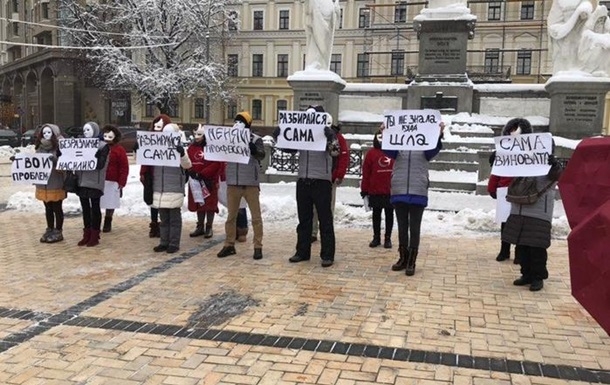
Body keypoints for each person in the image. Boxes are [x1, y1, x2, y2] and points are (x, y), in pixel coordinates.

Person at [273, 105, 340, 267]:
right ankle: (302, 251)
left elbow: (336, 152)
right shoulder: (303, 135)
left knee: (325, 219)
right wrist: (278, 137)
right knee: (304, 219)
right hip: (303, 180)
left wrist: (331, 137)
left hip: (322, 181)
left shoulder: (327, 135)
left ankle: (327, 254)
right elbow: (288, 148)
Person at [502, 121, 563, 292]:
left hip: (538, 208)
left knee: (536, 246)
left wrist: (553, 164)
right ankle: (526, 273)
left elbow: (557, 174)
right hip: (520, 206)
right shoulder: (521, 159)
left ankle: (538, 277)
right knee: (522, 244)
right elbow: (505, 163)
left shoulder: (547, 165)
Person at [384, 121, 444, 276]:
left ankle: (412, 260)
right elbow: (387, 149)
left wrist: (438, 133)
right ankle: (403, 257)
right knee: (402, 227)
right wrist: (385, 133)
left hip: (417, 190)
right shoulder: (398, 145)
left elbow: (434, 149)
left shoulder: (425, 147)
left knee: (414, 227)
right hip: (399, 189)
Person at [217, 112, 266, 260]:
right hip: (233, 182)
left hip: (250, 183)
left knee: (256, 217)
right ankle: (229, 244)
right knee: (231, 217)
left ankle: (258, 246)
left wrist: (253, 149)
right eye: (236, 121)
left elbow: (261, 155)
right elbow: (218, 151)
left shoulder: (256, 139)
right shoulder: (228, 138)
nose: (237, 123)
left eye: (241, 121)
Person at [487, 118, 529, 263]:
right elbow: (496, 171)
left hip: (522, 189)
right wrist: (492, 187)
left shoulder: (529, 150)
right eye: (512, 131)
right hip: (505, 189)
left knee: (521, 223)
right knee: (505, 223)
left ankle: (519, 253)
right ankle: (504, 250)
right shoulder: (503, 150)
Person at [151, 123, 192, 253]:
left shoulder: (180, 148)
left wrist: (182, 154)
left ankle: (174, 243)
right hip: (160, 187)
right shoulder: (157, 146)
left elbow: (187, 165)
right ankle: (164, 242)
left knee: (174, 218)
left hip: (174, 187)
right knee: (163, 219)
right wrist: (138, 149)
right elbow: (147, 160)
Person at [311, 122, 349, 243]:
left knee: (328, 208)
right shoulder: (316, 135)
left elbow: (343, 157)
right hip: (317, 176)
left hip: (330, 178)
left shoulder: (338, 138)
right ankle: (313, 232)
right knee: (314, 208)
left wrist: (339, 175)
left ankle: (326, 233)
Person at [75, 122, 110, 247]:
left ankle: (95, 235)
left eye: (88, 130)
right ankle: (87, 233)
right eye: (84, 130)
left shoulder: (103, 146)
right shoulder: (79, 145)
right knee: (85, 209)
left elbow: (101, 164)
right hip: (82, 180)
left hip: (95, 181)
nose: (86, 133)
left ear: (95, 131)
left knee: (95, 208)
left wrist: (92, 155)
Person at [186, 125, 224, 239]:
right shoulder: (191, 147)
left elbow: (216, 163)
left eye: (199, 135)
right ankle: (200, 226)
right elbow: (187, 160)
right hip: (195, 180)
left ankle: (209, 227)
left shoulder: (212, 148)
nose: (197, 137)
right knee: (199, 203)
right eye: (195, 134)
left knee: (210, 204)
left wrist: (203, 173)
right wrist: (190, 171)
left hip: (208, 180)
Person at [361, 129, 395, 249]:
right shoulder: (371, 153)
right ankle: (376, 237)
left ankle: (388, 238)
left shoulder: (393, 152)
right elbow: (366, 173)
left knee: (389, 214)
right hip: (375, 190)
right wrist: (364, 189)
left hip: (390, 190)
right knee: (376, 214)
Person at [139, 114, 172, 238]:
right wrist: (143, 173)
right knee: (153, 202)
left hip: (165, 176)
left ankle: (164, 225)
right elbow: (145, 158)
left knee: (163, 202)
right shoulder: (150, 140)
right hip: (152, 175)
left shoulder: (171, 140)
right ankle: (154, 225)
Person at [32, 124, 66, 243]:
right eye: (44, 133)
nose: (46, 135)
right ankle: (50, 228)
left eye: (49, 133)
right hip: (43, 184)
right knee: (48, 208)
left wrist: (55, 160)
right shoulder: (39, 147)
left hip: (56, 182)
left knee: (57, 208)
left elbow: (65, 164)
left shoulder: (60, 147)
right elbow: (33, 163)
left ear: (54, 134)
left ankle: (58, 230)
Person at [100, 125, 130, 233]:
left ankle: (108, 221)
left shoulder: (119, 150)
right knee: (96, 202)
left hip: (113, 181)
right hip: (98, 180)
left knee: (110, 202)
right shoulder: (98, 147)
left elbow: (124, 166)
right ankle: (96, 221)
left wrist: (122, 182)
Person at [304, 0, 341, 70]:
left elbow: (335, 26)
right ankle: (314, 64)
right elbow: (308, 12)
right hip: (316, 27)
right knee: (315, 48)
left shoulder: (330, 3)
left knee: (324, 54)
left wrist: (337, 13)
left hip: (327, 33)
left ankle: (322, 66)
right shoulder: (315, 1)